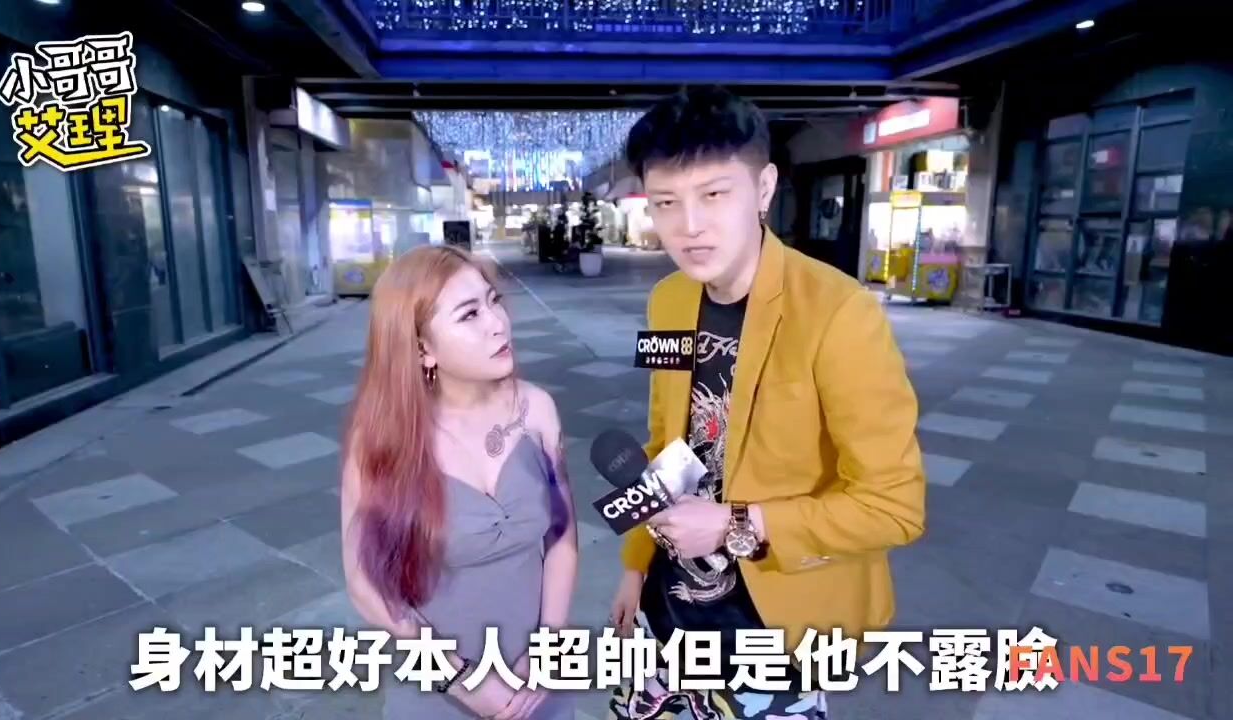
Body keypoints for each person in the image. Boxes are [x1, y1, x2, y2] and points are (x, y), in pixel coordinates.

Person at [606, 86, 927, 719]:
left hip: (778, 625)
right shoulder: (670, 300)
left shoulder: (838, 314)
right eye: (666, 202)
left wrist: (734, 524)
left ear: (764, 188)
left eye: (714, 195)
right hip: (668, 610)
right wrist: (636, 562)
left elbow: (894, 507)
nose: (689, 226)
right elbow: (670, 442)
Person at [340, 245, 579, 719]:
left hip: (539, 680)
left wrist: (548, 644)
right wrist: (465, 682)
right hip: (440, 689)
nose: (498, 323)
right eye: (469, 314)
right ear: (422, 349)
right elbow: (365, 584)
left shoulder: (537, 410)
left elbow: (562, 539)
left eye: (494, 301)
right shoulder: (382, 441)